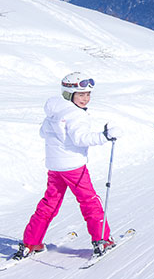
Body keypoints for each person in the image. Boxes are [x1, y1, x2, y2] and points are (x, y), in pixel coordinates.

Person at [12, 72, 122, 261]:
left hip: (55, 167)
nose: (85, 98)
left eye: (87, 94)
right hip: (73, 168)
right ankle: (101, 240)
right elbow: (81, 139)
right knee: (89, 202)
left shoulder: (54, 112)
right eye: (80, 95)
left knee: (49, 202)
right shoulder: (76, 115)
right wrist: (105, 136)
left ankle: (31, 242)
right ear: (68, 95)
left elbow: (43, 133)